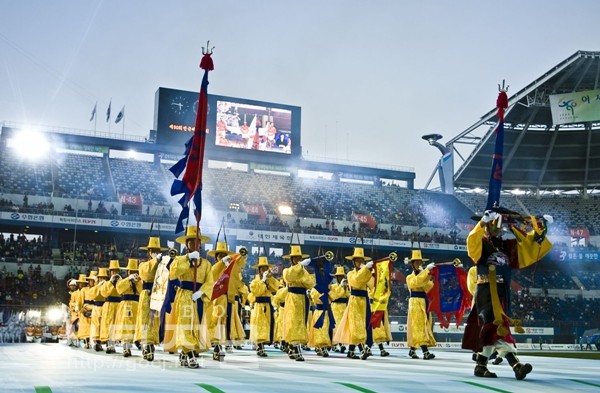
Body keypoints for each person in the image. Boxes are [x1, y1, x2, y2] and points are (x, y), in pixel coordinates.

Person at [462, 209, 551, 380]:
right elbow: (471, 241)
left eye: (500, 226)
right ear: (487, 226)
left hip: (502, 291)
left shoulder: (505, 246)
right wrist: (481, 223)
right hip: (487, 291)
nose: (498, 228)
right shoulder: (481, 242)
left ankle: (481, 366)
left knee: (492, 330)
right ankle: (516, 365)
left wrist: (540, 226)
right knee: (497, 326)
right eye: (494, 225)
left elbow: (528, 245)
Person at [171, 226, 212, 368]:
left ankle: (186, 351)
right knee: (185, 324)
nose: (195, 245)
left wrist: (201, 292)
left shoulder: (206, 263)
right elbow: (173, 273)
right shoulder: (179, 259)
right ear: (186, 244)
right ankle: (190, 353)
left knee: (197, 324)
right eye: (191, 242)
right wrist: (187, 259)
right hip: (184, 296)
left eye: (197, 242)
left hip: (198, 297)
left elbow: (210, 281)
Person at [207, 241, 246, 361]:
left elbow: (239, 269)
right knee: (217, 321)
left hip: (228, 298)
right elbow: (212, 275)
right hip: (217, 298)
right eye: (220, 256)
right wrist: (222, 263)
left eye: (224, 255)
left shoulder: (231, 268)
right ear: (216, 257)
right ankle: (217, 345)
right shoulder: (214, 267)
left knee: (226, 322)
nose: (222, 258)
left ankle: (223, 344)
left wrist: (241, 255)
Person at [333, 247, 374, 360]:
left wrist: (372, 273)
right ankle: (362, 347)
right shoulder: (350, 274)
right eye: (357, 261)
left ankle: (351, 351)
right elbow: (356, 280)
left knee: (365, 324)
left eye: (361, 261)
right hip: (355, 300)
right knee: (356, 325)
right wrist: (366, 269)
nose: (359, 263)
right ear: (353, 262)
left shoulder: (366, 273)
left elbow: (372, 286)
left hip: (364, 300)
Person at [134, 236, 167, 361]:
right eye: (152, 250)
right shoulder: (143, 264)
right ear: (148, 252)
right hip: (147, 293)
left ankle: (151, 341)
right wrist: (155, 261)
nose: (154, 252)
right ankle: (145, 343)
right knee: (145, 319)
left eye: (157, 250)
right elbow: (145, 273)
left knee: (155, 320)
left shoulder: (162, 264)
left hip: (157, 293)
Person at [281, 244, 315, 361]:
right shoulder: (287, 270)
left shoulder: (303, 271)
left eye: (299, 258)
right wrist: (299, 267)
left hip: (302, 299)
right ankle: (295, 348)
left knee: (301, 323)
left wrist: (303, 269)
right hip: (293, 298)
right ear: (291, 259)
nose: (297, 260)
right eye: (295, 258)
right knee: (293, 322)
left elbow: (310, 283)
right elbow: (289, 277)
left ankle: (292, 346)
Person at [405, 250, 436, 360]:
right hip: (415, 302)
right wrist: (426, 272)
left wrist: (426, 274)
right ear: (412, 264)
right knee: (419, 325)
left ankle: (412, 350)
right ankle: (425, 352)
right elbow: (416, 282)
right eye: (416, 262)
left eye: (420, 262)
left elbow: (430, 288)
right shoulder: (409, 277)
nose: (418, 264)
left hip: (424, 301)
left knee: (419, 326)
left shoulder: (425, 276)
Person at [249, 256, 279, 357]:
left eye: (266, 268)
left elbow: (275, 289)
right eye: (262, 269)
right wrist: (263, 280)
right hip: (259, 306)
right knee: (259, 326)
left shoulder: (271, 279)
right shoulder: (255, 281)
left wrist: (268, 279)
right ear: (259, 270)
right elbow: (257, 292)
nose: (264, 270)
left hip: (268, 304)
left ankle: (263, 345)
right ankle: (260, 346)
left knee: (267, 326)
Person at [114, 259, 142, 357]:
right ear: (128, 272)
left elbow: (142, 290)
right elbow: (119, 289)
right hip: (125, 305)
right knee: (125, 326)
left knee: (136, 325)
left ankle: (138, 342)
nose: (132, 273)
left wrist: (137, 281)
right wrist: (128, 279)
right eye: (130, 271)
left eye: (134, 272)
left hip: (136, 305)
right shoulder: (123, 281)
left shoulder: (139, 281)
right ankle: (126, 347)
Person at [100, 260, 123, 354]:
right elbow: (104, 293)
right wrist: (111, 283)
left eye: (116, 271)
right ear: (110, 272)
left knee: (117, 325)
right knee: (109, 325)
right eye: (113, 271)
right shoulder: (106, 283)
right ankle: (110, 344)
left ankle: (118, 343)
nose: (115, 273)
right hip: (109, 305)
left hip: (118, 305)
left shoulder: (122, 282)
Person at [328, 266, 349, 354]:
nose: (340, 278)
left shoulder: (346, 286)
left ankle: (342, 343)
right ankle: (335, 344)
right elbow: (334, 296)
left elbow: (348, 296)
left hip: (344, 307)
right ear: (336, 277)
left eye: (342, 276)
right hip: (335, 307)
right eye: (339, 276)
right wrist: (341, 287)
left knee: (343, 326)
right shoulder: (332, 287)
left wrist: (346, 288)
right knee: (335, 327)